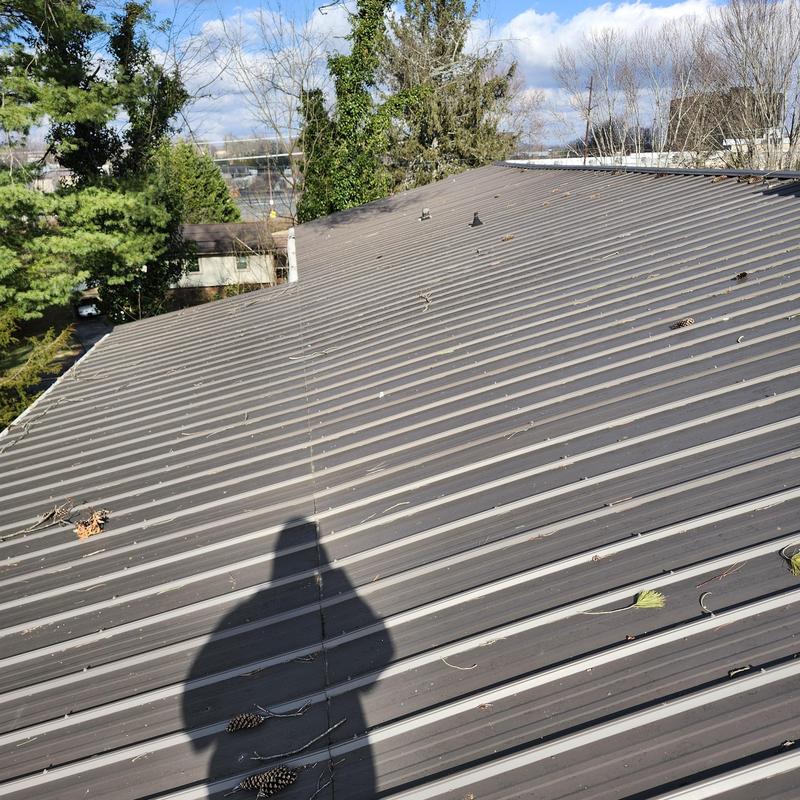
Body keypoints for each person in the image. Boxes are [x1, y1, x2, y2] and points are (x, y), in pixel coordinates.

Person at [183, 516, 394, 798]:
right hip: (343, 715)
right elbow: (381, 647)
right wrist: (334, 577)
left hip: (230, 751)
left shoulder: (242, 614)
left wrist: (202, 736)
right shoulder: (249, 611)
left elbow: (195, 693)